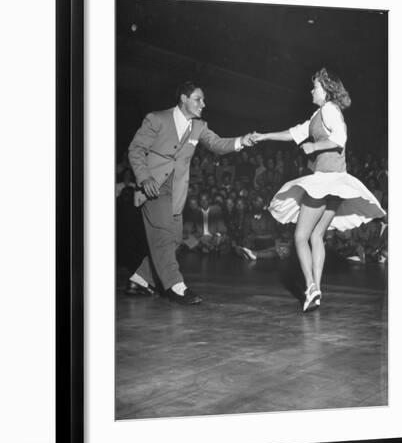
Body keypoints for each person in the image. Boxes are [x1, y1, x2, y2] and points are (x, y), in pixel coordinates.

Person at [252, 68, 386, 312]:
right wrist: (264, 136)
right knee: (316, 237)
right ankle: (315, 290)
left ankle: (311, 287)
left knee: (300, 236)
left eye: (314, 87)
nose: (311, 90)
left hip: (326, 181)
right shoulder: (318, 114)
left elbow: (340, 139)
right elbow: (293, 133)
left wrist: (314, 148)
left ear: (325, 90)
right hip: (334, 185)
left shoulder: (329, 110)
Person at [127, 80, 256, 305]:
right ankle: (176, 286)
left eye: (203, 100)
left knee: (176, 240)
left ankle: (140, 278)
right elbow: (136, 150)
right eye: (198, 99)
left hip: (176, 191)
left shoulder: (199, 126)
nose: (203, 104)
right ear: (183, 99)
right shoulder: (156, 119)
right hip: (153, 188)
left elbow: (217, 144)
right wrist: (144, 177)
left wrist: (241, 141)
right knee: (164, 237)